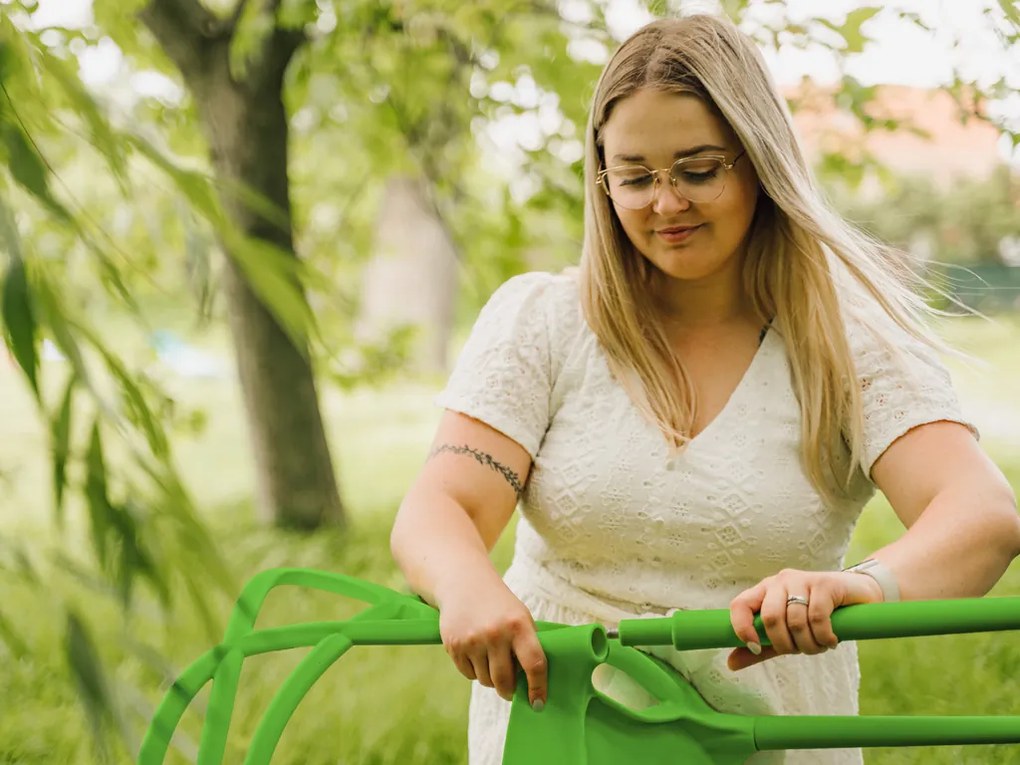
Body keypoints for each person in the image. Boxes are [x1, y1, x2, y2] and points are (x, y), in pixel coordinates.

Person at [389, 13, 1020, 765]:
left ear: (758, 162)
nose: (665, 203)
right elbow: (443, 504)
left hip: (767, 741)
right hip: (560, 734)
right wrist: (466, 583)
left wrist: (864, 587)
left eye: (697, 170)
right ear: (603, 179)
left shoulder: (852, 341)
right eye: (635, 177)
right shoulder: (542, 320)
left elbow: (980, 516)